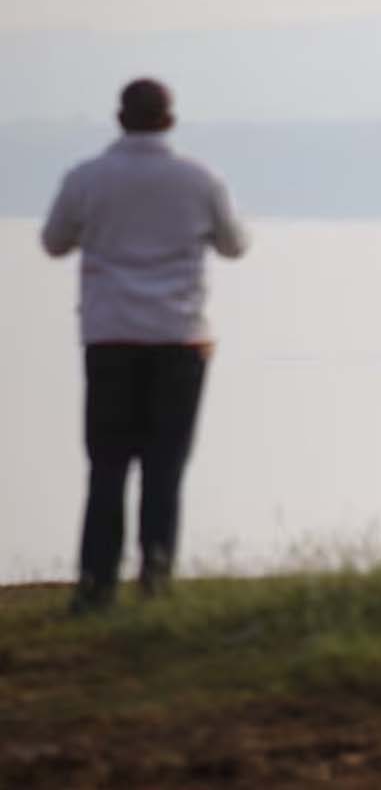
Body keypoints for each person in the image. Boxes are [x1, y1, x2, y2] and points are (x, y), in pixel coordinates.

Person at [41, 79, 249, 611]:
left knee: (107, 468)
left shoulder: (86, 178)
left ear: (120, 118)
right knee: (165, 468)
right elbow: (234, 245)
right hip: (179, 339)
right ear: (169, 120)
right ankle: (155, 580)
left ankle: (96, 585)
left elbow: (54, 242)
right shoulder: (200, 179)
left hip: (109, 337)